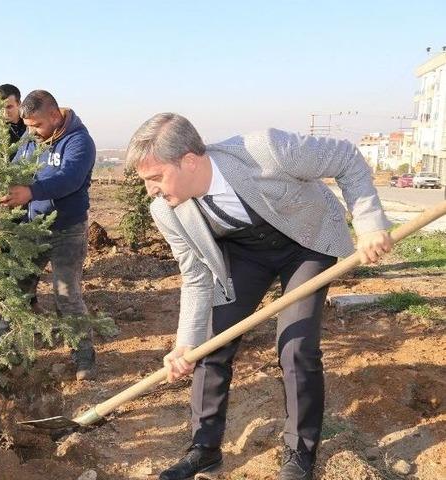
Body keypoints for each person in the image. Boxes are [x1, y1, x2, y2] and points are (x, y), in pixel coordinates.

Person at [125, 113, 393, 480]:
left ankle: (299, 452)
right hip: (246, 253)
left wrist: (369, 223)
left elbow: (346, 157)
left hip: (306, 243)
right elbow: (196, 275)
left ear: (189, 160)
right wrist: (186, 343)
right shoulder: (166, 210)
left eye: (155, 178)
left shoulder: (265, 151)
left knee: (295, 345)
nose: (151, 190)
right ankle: (204, 449)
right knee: (211, 344)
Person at [0, 89, 96, 380]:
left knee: (66, 294)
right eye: (28, 126)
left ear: (54, 115)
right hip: (34, 227)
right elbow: (17, 167)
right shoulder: (31, 136)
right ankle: (8, 348)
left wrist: (31, 192)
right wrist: (7, 188)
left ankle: (83, 356)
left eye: (37, 125)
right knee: (18, 286)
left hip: (68, 229)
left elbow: (69, 179)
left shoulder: (79, 141)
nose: (32, 132)